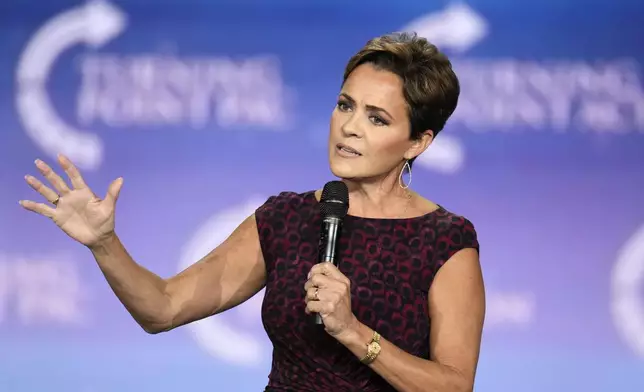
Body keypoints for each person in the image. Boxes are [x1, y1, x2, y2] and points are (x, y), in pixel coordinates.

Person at [19, 32, 485, 391]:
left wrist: (353, 331)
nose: (349, 127)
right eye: (345, 105)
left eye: (376, 118)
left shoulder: (444, 240)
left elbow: (453, 384)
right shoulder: (286, 219)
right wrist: (104, 244)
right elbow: (161, 308)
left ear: (418, 142)